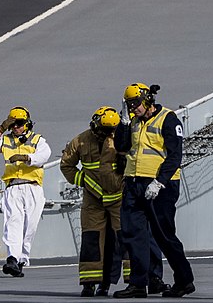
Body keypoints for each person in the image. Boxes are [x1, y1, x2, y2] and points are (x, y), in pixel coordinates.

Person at [113, 83, 194, 299]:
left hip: (160, 187)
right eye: (129, 104)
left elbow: (175, 155)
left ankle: (184, 280)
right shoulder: (132, 121)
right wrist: (123, 122)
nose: (133, 108)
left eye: (136, 103)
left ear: (148, 99)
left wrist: (159, 182)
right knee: (133, 235)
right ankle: (139, 283)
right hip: (133, 183)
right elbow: (121, 147)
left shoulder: (168, 119)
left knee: (164, 236)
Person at [61, 106, 129, 296]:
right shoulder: (81, 141)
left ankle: (134, 281)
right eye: (104, 130)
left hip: (119, 198)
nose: (107, 134)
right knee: (91, 240)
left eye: (111, 130)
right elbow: (66, 165)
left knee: (125, 238)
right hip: (93, 200)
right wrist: (82, 180)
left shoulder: (123, 137)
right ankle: (89, 283)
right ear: (94, 125)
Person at [0, 105, 51, 277]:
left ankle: (21, 260)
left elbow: (45, 154)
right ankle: (12, 258)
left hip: (33, 186)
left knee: (30, 227)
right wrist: (0, 129)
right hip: (12, 187)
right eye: (12, 124)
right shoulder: (5, 140)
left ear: (26, 124)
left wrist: (27, 158)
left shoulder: (37, 140)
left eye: (18, 123)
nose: (15, 128)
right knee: (13, 222)